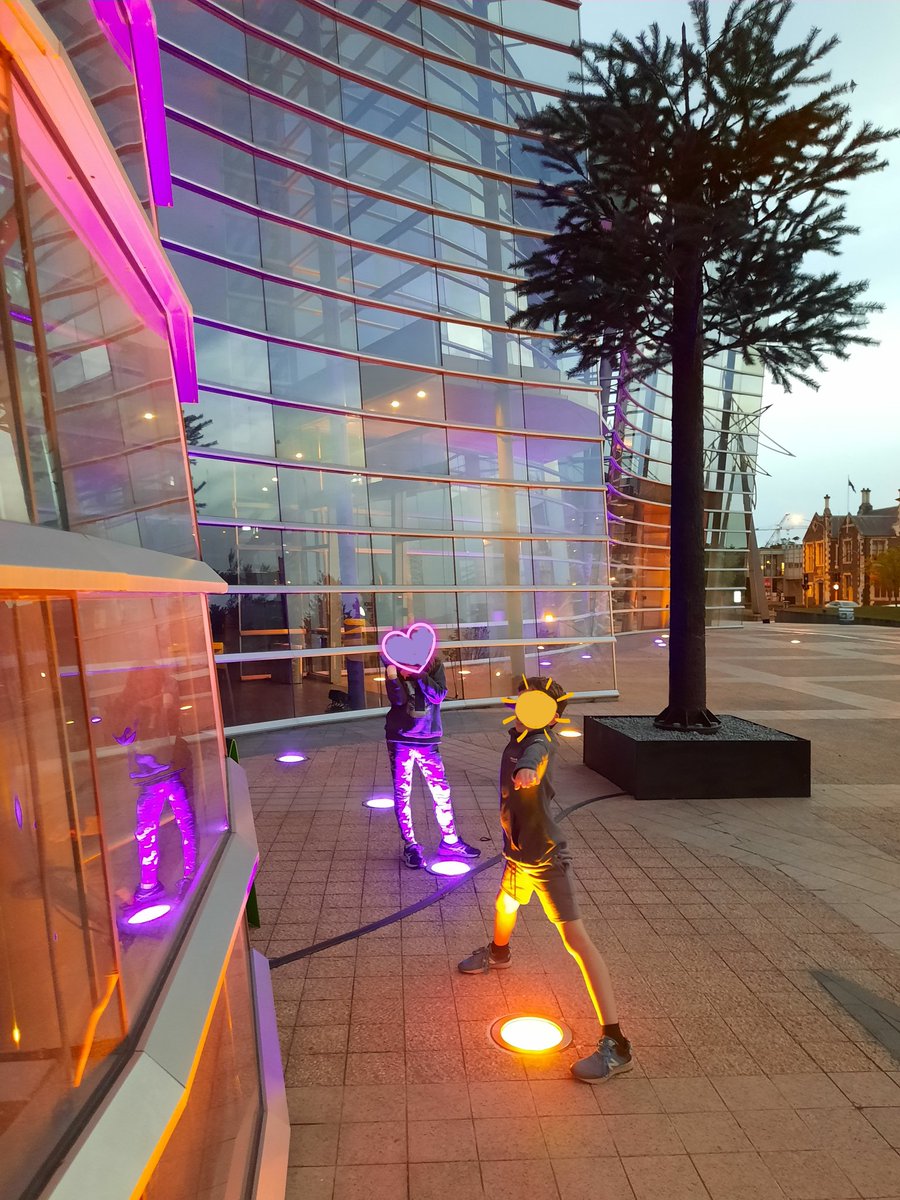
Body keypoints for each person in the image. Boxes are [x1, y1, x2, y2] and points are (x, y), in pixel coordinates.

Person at [458, 676, 632, 1084]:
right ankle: (499, 953)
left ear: (549, 716)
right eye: (520, 701)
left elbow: (535, 758)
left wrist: (526, 773)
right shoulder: (520, 736)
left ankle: (616, 1043)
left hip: (545, 858)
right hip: (518, 853)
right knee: (505, 904)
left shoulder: (538, 743)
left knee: (577, 943)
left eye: (531, 704)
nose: (521, 708)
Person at [384, 653, 481, 869]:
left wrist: (418, 674)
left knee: (441, 790)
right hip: (400, 738)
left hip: (428, 738)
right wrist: (392, 675)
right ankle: (410, 845)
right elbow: (398, 699)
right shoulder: (396, 661)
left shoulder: (435, 664)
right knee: (402, 792)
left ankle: (450, 840)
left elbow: (438, 695)